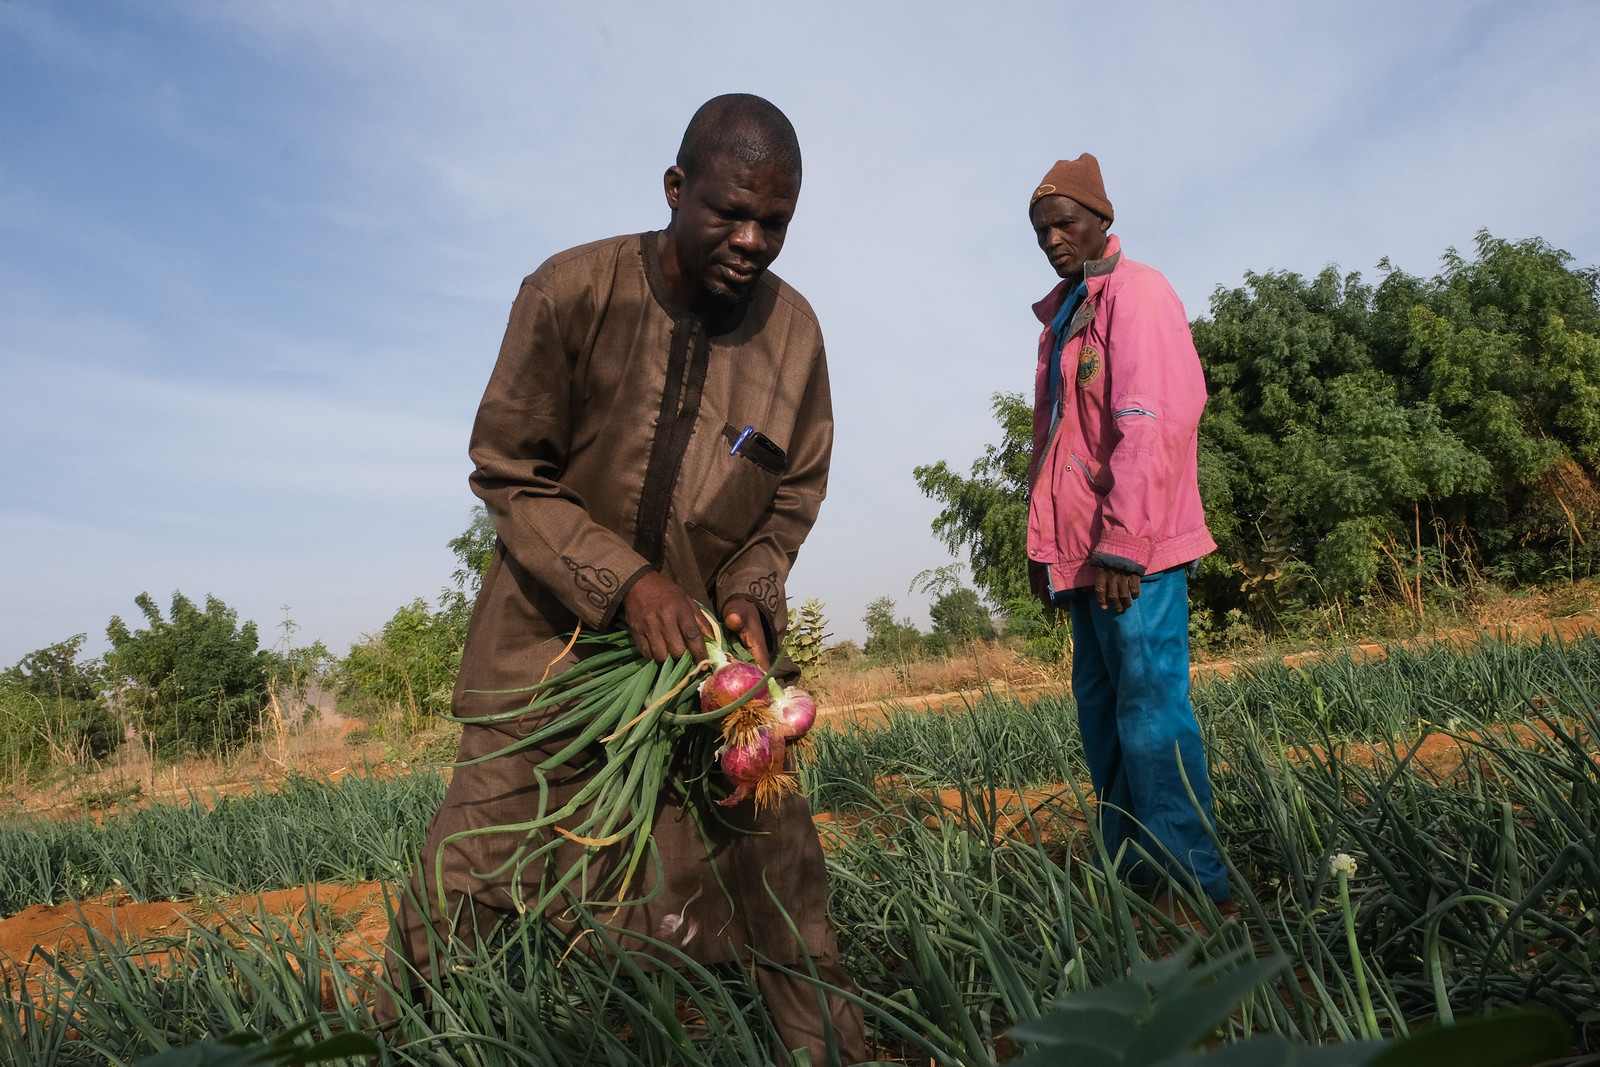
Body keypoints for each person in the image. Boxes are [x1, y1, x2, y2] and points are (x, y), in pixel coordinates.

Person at [378, 94, 867, 1065]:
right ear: (675, 188)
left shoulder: (793, 334)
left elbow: (790, 491)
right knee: (469, 873)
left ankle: (832, 1053)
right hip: (548, 648)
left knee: (779, 863)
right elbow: (509, 468)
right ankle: (396, 1044)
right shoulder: (571, 291)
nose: (751, 239)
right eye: (729, 210)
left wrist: (752, 589)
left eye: (774, 222)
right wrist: (626, 583)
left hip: (705, 668)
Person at [1024, 153, 1231, 905]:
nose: (1052, 238)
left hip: (1128, 554)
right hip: (1082, 557)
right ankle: (1137, 878)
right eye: (1041, 229)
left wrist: (1124, 542)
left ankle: (1197, 884)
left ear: (1101, 219)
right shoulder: (1066, 317)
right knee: (1104, 719)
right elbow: (1053, 445)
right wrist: (1042, 551)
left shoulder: (1137, 295)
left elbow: (1152, 420)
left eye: (1065, 222)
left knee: (1150, 714)